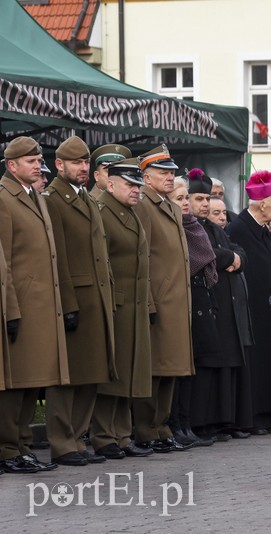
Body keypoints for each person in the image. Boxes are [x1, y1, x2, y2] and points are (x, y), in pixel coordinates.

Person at [43, 136, 115, 466]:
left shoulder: (85, 197)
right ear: (59, 165)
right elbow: (58, 257)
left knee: (92, 373)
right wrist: (68, 304)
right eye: (76, 162)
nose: (83, 168)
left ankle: (78, 437)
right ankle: (62, 442)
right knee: (68, 376)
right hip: (75, 297)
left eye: (86, 162)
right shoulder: (53, 198)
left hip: (97, 296)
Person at [0, 136, 68, 473]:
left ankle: (22, 446)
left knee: (33, 382)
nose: (37, 166)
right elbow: (4, 263)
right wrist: (11, 310)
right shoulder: (4, 199)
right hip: (22, 307)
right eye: (30, 161)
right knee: (16, 385)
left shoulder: (35, 196)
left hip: (42, 307)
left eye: (38, 160)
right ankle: (9, 449)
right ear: (12, 166)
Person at [131, 144, 194, 454]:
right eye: (163, 172)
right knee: (155, 369)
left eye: (172, 172)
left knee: (171, 369)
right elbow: (142, 257)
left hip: (176, 300)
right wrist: (150, 302)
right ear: (146, 176)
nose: (171, 177)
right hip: (158, 298)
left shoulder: (169, 206)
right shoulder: (144, 205)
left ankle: (161, 425)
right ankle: (146, 428)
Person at [92, 158, 155, 459]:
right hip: (116, 303)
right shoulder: (102, 211)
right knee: (112, 374)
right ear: (111, 182)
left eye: (138, 185)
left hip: (133, 303)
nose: (136, 190)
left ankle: (122, 434)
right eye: (130, 185)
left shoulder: (128, 212)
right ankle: (105, 436)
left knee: (129, 372)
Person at [228, 170, 271, 435]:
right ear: (262, 203)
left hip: (268, 306)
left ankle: (270, 413)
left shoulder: (263, 228)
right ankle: (254, 416)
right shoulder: (240, 228)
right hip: (251, 307)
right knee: (256, 362)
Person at [196, 175, 254, 440]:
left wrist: (235, 256)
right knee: (209, 367)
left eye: (207, 199)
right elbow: (206, 253)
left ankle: (224, 421)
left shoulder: (213, 227)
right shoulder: (192, 227)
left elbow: (235, 247)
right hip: (206, 305)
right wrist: (231, 257)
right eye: (200, 199)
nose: (204, 205)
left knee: (227, 365)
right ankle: (204, 423)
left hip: (224, 307)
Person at [165, 175, 217, 447]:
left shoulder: (194, 226)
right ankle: (174, 424)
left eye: (187, 198)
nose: (185, 203)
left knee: (192, 365)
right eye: (179, 198)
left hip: (199, 298)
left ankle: (185, 423)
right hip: (181, 299)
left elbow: (208, 258)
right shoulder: (171, 226)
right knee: (178, 366)